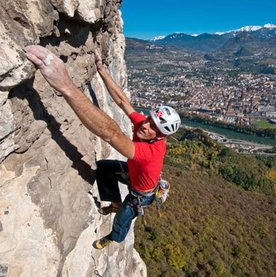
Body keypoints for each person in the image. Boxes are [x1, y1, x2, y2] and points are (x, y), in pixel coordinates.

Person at [24, 45, 181, 249]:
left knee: (122, 221)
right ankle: (114, 203)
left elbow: (111, 134)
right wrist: (101, 71)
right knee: (104, 167)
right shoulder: (145, 128)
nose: (145, 125)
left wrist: (65, 85)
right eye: (149, 119)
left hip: (141, 195)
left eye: (153, 126)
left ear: (161, 136)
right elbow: (122, 101)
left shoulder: (151, 152)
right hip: (133, 175)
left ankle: (113, 238)